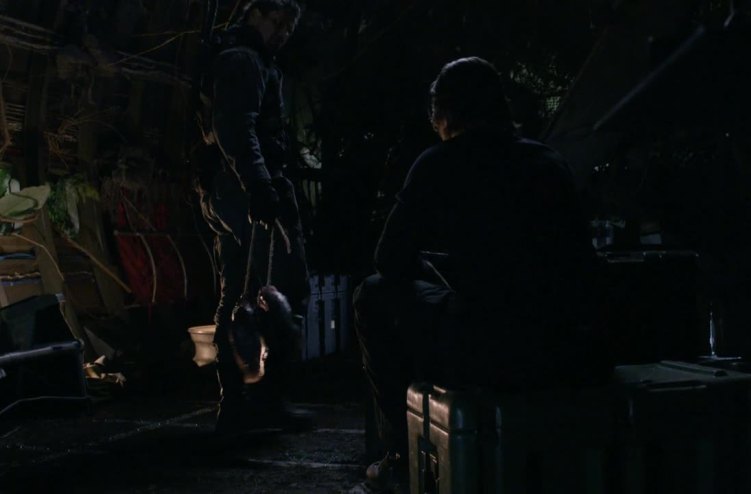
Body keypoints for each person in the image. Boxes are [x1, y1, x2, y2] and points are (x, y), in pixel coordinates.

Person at [352, 57, 608, 490]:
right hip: (567, 349)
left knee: (372, 296)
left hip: (485, 348)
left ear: (444, 114)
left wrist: (431, 268)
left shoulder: (439, 163)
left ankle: (401, 455)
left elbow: (388, 259)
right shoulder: (547, 161)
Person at [196, 0, 310, 435]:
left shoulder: (241, 59)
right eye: (275, 21)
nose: (281, 33)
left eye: (287, 28)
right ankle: (264, 401)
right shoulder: (243, 61)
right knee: (281, 293)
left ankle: (236, 406)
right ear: (254, 14)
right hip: (245, 190)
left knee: (237, 295)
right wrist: (260, 186)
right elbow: (236, 129)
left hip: (228, 190)